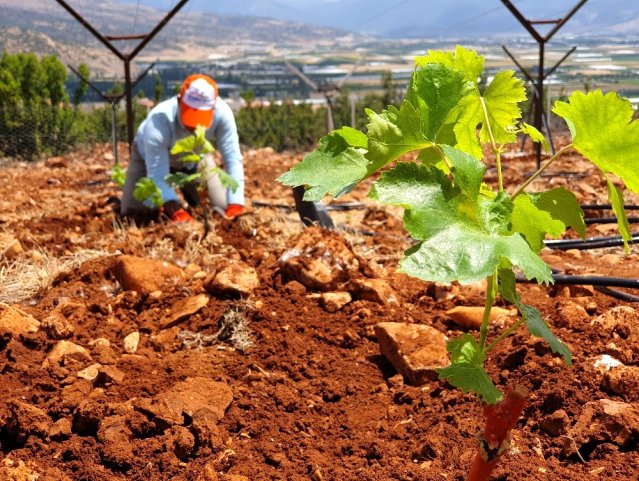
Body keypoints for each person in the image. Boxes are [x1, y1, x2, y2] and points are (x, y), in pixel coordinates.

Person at [120, 74, 244, 222]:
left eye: (201, 119)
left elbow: (232, 158)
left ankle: (193, 197)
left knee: (222, 208)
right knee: (131, 214)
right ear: (179, 100)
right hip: (148, 160)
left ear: (213, 106)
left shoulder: (223, 113)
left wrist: (236, 203)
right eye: (191, 117)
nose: (195, 127)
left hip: (194, 159)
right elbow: (157, 176)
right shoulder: (158, 122)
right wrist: (177, 212)